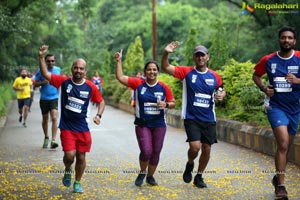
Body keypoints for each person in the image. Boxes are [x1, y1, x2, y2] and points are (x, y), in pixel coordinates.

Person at [38, 45, 105, 193]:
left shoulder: (90, 87)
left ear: (85, 71)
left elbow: (101, 101)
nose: (78, 71)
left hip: (83, 127)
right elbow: (45, 74)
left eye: (81, 68)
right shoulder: (63, 82)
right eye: (76, 68)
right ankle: (68, 168)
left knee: (81, 157)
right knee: (69, 156)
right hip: (67, 126)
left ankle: (77, 182)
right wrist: (41, 57)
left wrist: (98, 115)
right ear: (72, 69)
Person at [161, 41, 226, 188]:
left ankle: (199, 176)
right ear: (194, 58)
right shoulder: (186, 72)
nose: (200, 58)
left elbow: (221, 89)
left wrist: (221, 95)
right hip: (192, 118)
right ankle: (190, 163)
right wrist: (166, 53)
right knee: (195, 147)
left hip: (209, 118)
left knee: (207, 148)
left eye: (202, 55)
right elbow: (165, 67)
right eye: (197, 56)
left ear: (207, 57)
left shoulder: (215, 76)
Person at [114, 49, 175, 186]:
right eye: (149, 70)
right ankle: (142, 172)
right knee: (146, 151)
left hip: (159, 124)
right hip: (143, 124)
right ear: (145, 72)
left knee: (156, 151)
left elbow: (173, 103)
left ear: (158, 72)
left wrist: (166, 104)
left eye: (154, 70)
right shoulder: (138, 84)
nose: (152, 72)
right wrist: (119, 61)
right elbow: (120, 77)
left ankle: (150, 176)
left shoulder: (164, 87)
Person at [252, 26, 300, 199]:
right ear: (279, 40)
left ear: (294, 41)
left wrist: (298, 80)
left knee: (286, 148)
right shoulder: (269, 59)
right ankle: (281, 186)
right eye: (283, 37)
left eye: (289, 38)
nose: (286, 40)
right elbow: (256, 75)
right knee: (283, 144)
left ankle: (277, 176)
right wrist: (264, 88)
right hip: (275, 107)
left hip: (295, 109)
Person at [34, 54, 61, 149]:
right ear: (45, 62)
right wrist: (42, 83)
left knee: (54, 118)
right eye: (49, 61)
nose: (51, 63)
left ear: (55, 61)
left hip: (54, 97)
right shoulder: (41, 71)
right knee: (45, 119)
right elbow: (35, 84)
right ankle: (46, 137)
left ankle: (53, 140)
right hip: (44, 98)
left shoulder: (58, 70)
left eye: (52, 61)